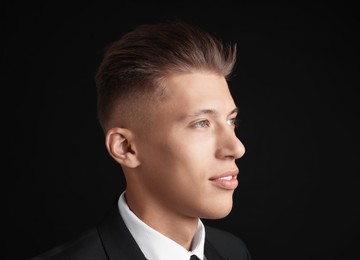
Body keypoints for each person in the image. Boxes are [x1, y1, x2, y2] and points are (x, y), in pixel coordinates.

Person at [31, 20, 251, 260]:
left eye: (231, 121)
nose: (236, 148)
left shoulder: (234, 252)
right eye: (201, 123)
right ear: (126, 148)